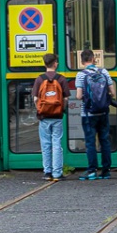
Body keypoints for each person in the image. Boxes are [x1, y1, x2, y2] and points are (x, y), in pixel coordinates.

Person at [74, 49, 115, 180]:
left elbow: (79, 96)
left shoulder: (81, 75)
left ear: (82, 61)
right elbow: (113, 93)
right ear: (93, 59)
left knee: (90, 142)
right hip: (103, 112)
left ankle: (92, 171)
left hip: (88, 114)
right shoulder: (104, 72)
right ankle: (106, 171)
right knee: (104, 140)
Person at [31, 54, 73, 182]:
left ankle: (47, 172)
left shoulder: (39, 79)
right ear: (55, 64)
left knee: (45, 144)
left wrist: (40, 109)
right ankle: (57, 173)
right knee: (57, 144)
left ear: (44, 64)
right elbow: (66, 98)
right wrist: (61, 109)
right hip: (57, 116)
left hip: (44, 116)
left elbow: (35, 99)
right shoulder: (61, 79)